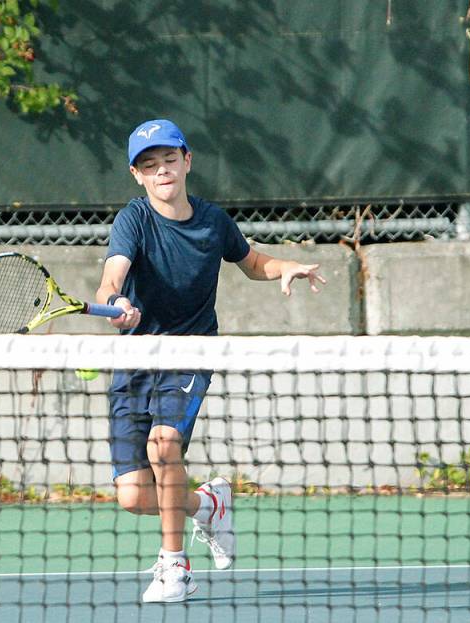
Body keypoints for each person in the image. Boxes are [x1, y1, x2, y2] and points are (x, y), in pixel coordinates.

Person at [96, 119, 326, 603]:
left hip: (192, 350)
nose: (161, 171)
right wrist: (113, 299)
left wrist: (285, 267)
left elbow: (250, 261)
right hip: (136, 356)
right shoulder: (133, 220)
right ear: (137, 175)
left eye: (169, 160)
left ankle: (174, 567)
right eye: (149, 165)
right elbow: (112, 274)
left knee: (165, 444)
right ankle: (209, 505)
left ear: (187, 162)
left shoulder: (212, 221)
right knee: (134, 497)